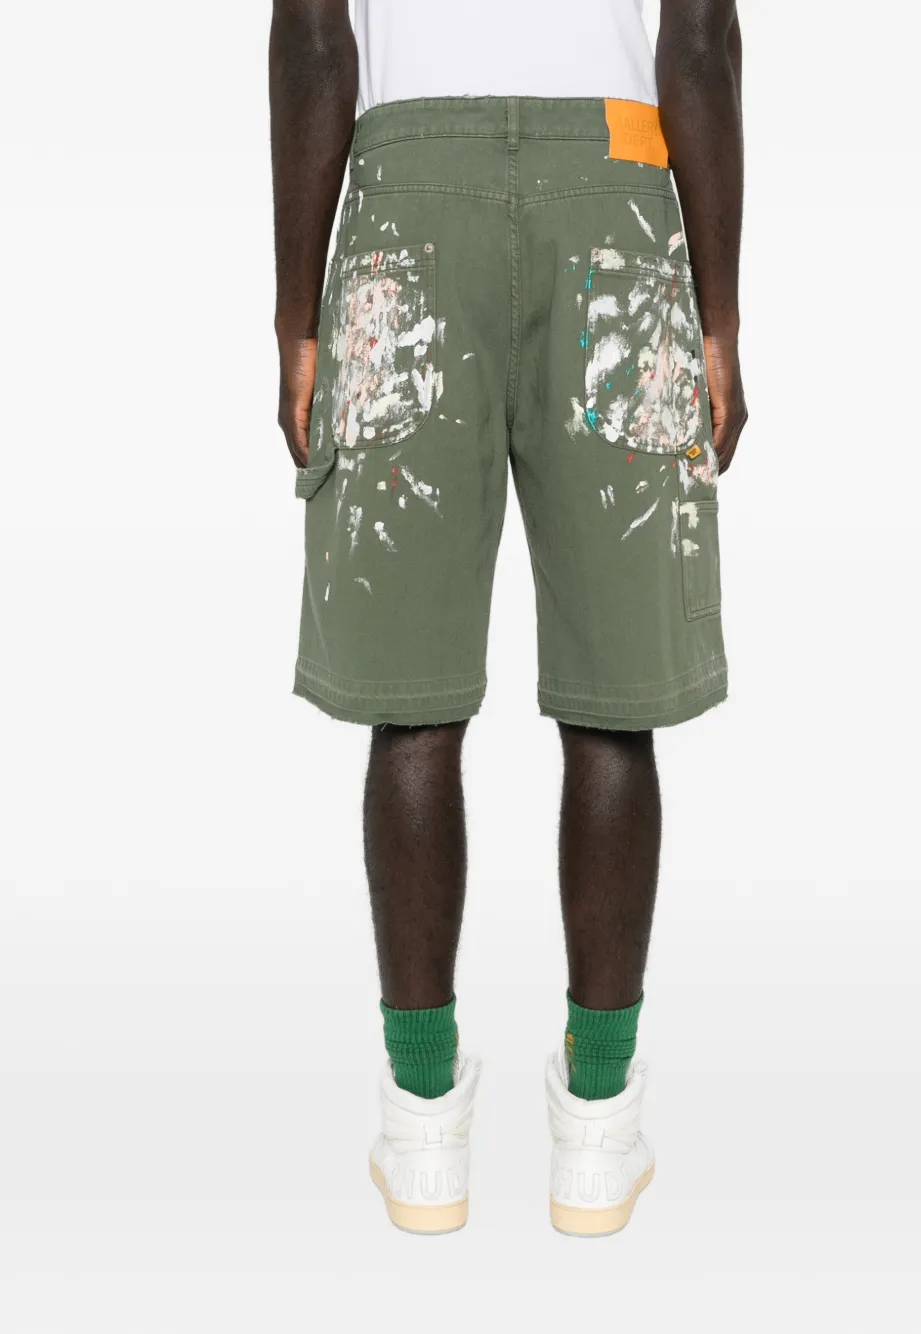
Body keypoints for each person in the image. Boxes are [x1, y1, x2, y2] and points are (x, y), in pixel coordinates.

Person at [269, 0, 747, 1237]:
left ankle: (421, 1123)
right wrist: (719, 318)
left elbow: (314, 40)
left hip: (407, 203)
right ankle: (599, 1124)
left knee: (412, 701)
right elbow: (699, 41)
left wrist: (296, 319)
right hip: (617, 192)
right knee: (614, 700)